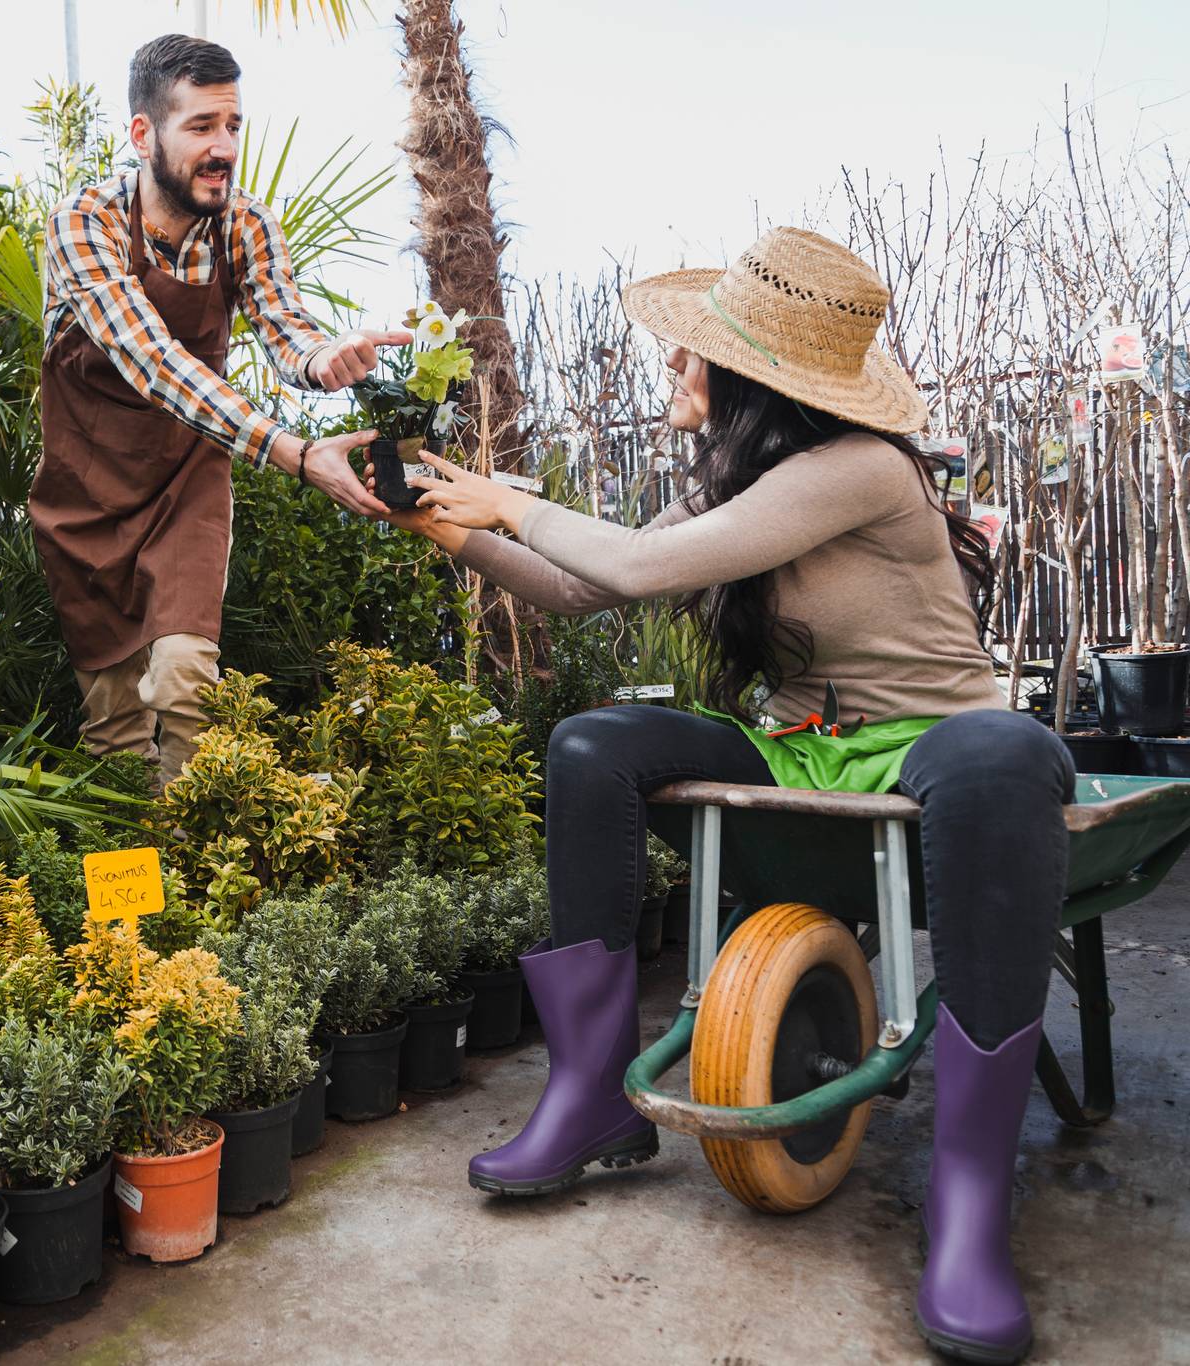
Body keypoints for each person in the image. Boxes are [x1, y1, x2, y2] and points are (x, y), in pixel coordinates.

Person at [377, 227, 1069, 1366]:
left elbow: (637, 570)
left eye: (686, 356)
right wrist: (446, 527)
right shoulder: (745, 485)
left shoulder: (857, 468)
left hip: (932, 746)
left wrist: (502, 498)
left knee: (998, 757)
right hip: (803, 748)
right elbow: (571, 584)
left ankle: (966, 1207)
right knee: (594, 742)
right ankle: (589, 1093)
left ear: (747, 377)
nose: (670, 372)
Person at [33, 33, 408, 784]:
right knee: (113, 734)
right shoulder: (85, 224)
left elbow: (285, 328)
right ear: (144, 134)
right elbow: (154, 361)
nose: (224, 147)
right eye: (201, 126)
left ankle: (204, 877)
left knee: (184, 685)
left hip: (185, 480)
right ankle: (144, 898)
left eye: (233, 125)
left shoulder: (247, 226)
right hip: (84, 493)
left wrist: (322, 359)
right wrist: (296, 454)